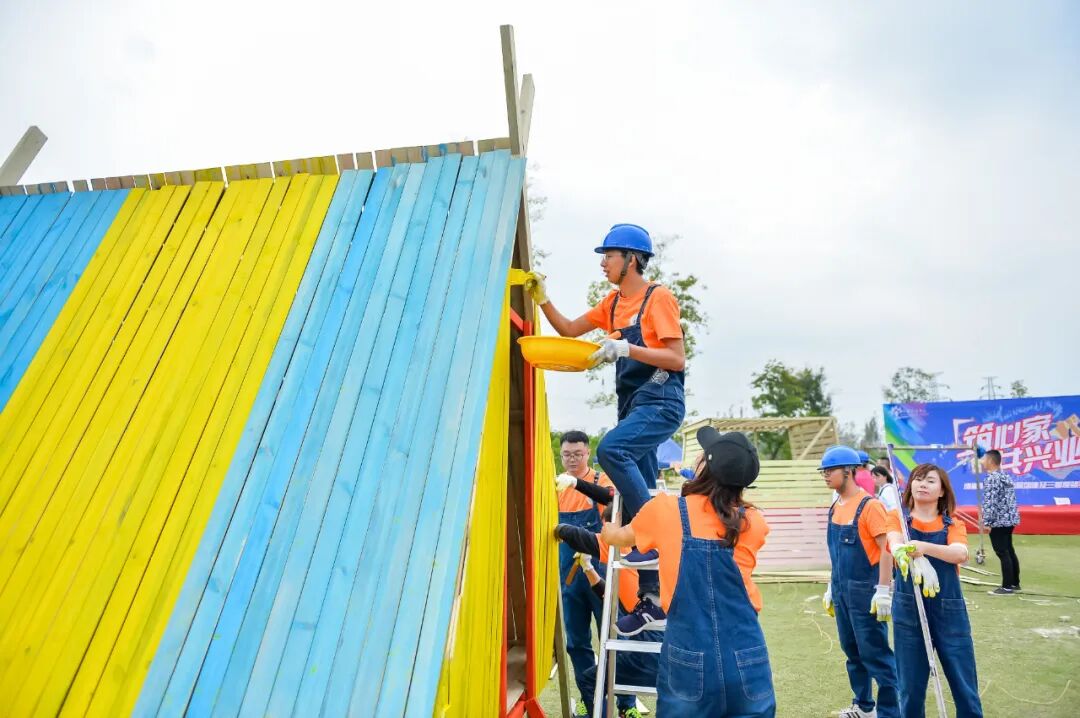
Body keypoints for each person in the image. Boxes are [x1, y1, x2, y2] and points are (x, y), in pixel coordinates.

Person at [525, 224, 685, 635]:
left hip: (661, 402)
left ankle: (642, 540)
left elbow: (675, 358)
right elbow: (568, 330)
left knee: (612, 451)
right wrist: (543, 300)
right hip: (633, 407)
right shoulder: (612, 304)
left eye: (608, 256)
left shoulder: (657, 297)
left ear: (631, 259)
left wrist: (626, 347)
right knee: (637, 491)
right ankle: (651, 601)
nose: (602, 263)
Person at [600, 428, 775, 717]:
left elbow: (620, 537)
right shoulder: (753, 521)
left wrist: (608, 533)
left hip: (689, 654)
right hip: (747, 652)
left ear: (705, 466)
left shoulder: (667, 510)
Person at [888, 464, 983, 717]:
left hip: (948, 609)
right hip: (908, 610)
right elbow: (894, 542)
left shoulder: (953, 524)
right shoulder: (898, 519)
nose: (922, 484)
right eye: (917, 479)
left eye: (930, 481)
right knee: (910, 687)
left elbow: (960, 553)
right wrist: (903, 549)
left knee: (963, 682)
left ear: (942, 491)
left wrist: (923, 547)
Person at [820, 445, 899, 718]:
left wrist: (883, 590)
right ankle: (864, 707)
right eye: (823, 472)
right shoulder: (835, 507)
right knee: (852, 652)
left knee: (876, 655)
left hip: (866, 592)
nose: (825, 476)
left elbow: (886, 550)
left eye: (830, 471)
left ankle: (890, 712)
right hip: (843, 591)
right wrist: (832, 585)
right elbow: (836, 554)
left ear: (848, 471)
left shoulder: (871, 506)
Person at [556, 518, 657, 718]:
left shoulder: (622, 556)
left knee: (607, 657)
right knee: (582, 644)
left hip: (650, 660)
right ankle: (602, 707)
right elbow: (608, 594)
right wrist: (588, 568)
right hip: (676, 656)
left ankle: (620, 707)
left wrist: (557, 528)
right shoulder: (649, 565)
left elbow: (581, 536)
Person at [555, 431, 618, 712]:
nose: (572, 459)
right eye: (567, 454)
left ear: (588, 452)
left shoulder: (601, 481)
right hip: (568, 577)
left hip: (600, 573)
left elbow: (612, 501)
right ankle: (589, 702)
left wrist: (577, 484)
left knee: (612, 639)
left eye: (577, 454)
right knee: (577, 643)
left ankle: (624, 702)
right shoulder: (554, 486)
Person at [980, 449, 1021, 594]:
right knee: (1009, 550)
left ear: (990, 461)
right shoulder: (1004, 476)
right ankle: (1015, 583)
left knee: (1002, 552)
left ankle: (1007, 586)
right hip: (1009, 519)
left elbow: (991, 502)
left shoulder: (992, 478)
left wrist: (987, 522)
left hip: (998, 521)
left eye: (984, 459)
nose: (982, 461)